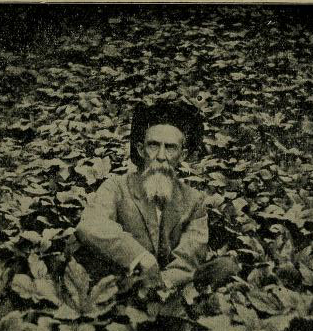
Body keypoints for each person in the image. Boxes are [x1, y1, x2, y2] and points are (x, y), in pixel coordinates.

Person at [74, 100, 238, 292]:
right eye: (153, 145)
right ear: (140, 150)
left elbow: (187, 259)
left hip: (169, 287)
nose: (161, 156)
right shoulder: (117, 186)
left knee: (226, 267)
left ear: (182, 155)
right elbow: (90, 224)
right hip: (124, 282)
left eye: (170, 148)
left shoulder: (194, 200)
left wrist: (162, 284)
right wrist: (139, 257)